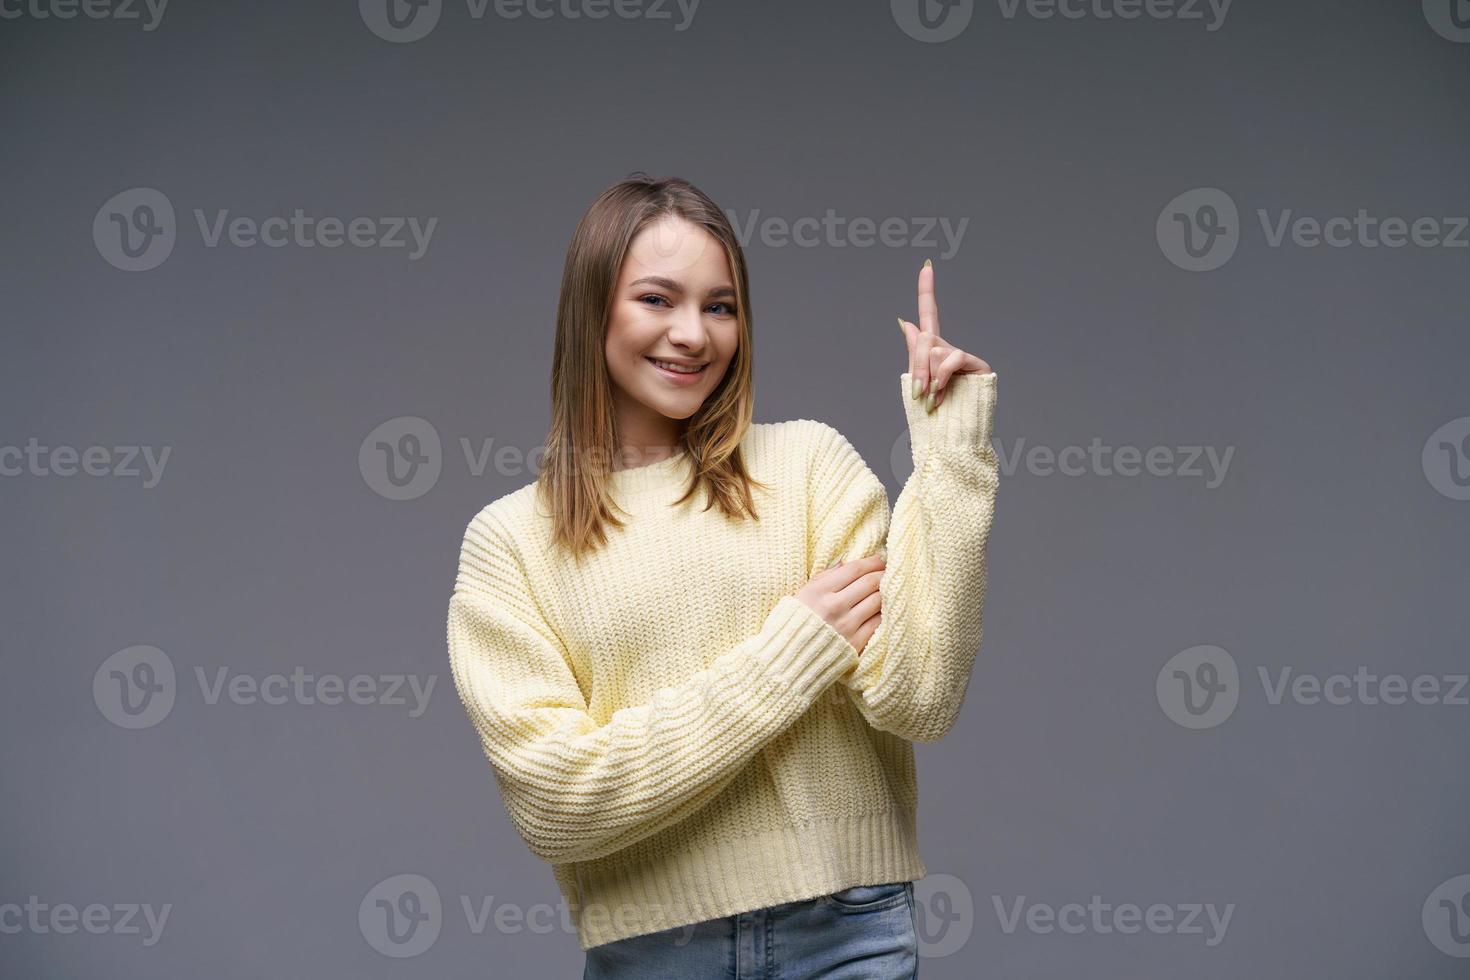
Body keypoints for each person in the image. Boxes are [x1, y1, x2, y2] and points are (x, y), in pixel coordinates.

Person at [445, 172, 999, 977]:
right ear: (591, 309)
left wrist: (951, 457)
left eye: (720, 306)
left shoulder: (809, 467)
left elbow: (919, 698)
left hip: (849, 929)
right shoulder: (511, 544)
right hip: (654, 952)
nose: (694, 335)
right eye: (657, 300)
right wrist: (788, 657)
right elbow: (556, 803)